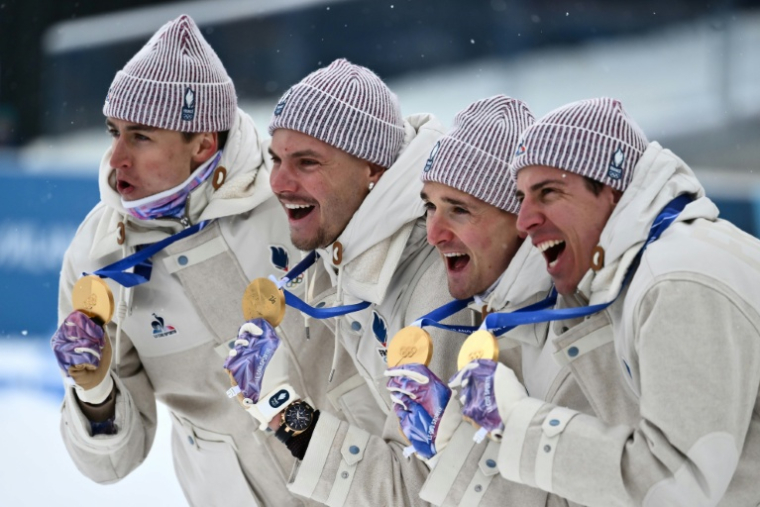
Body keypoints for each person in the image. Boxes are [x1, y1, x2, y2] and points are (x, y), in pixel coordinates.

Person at [50, 15, 309, 506]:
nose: (116, 158)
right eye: (114, 132)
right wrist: (94, 391)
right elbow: (110, 462)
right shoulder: (98, 253)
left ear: (204, 144)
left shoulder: (291, 203)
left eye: (141, 137)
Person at [456, 97, 760, 506]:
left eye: (548, 193)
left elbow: (673, 487)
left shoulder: (677, 279)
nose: (525, 220)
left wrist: (514, 422)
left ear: (613, 191)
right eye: (522, 197)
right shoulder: (638, 272)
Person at [223, 58, 472, 506]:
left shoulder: (435, 282)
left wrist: (285, 416)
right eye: (275, 159)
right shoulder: (345, 254)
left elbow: (426, 494)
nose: (278, 182)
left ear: (373, 169)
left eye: (307, 162)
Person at [384, 95, 606, 507]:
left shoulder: (585, 333)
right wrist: (290, 421)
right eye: (429, 206)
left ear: (522, 221)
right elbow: (400, 490)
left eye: (460, 210)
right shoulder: (454, 316)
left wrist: (456, 448)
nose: (434, 232)